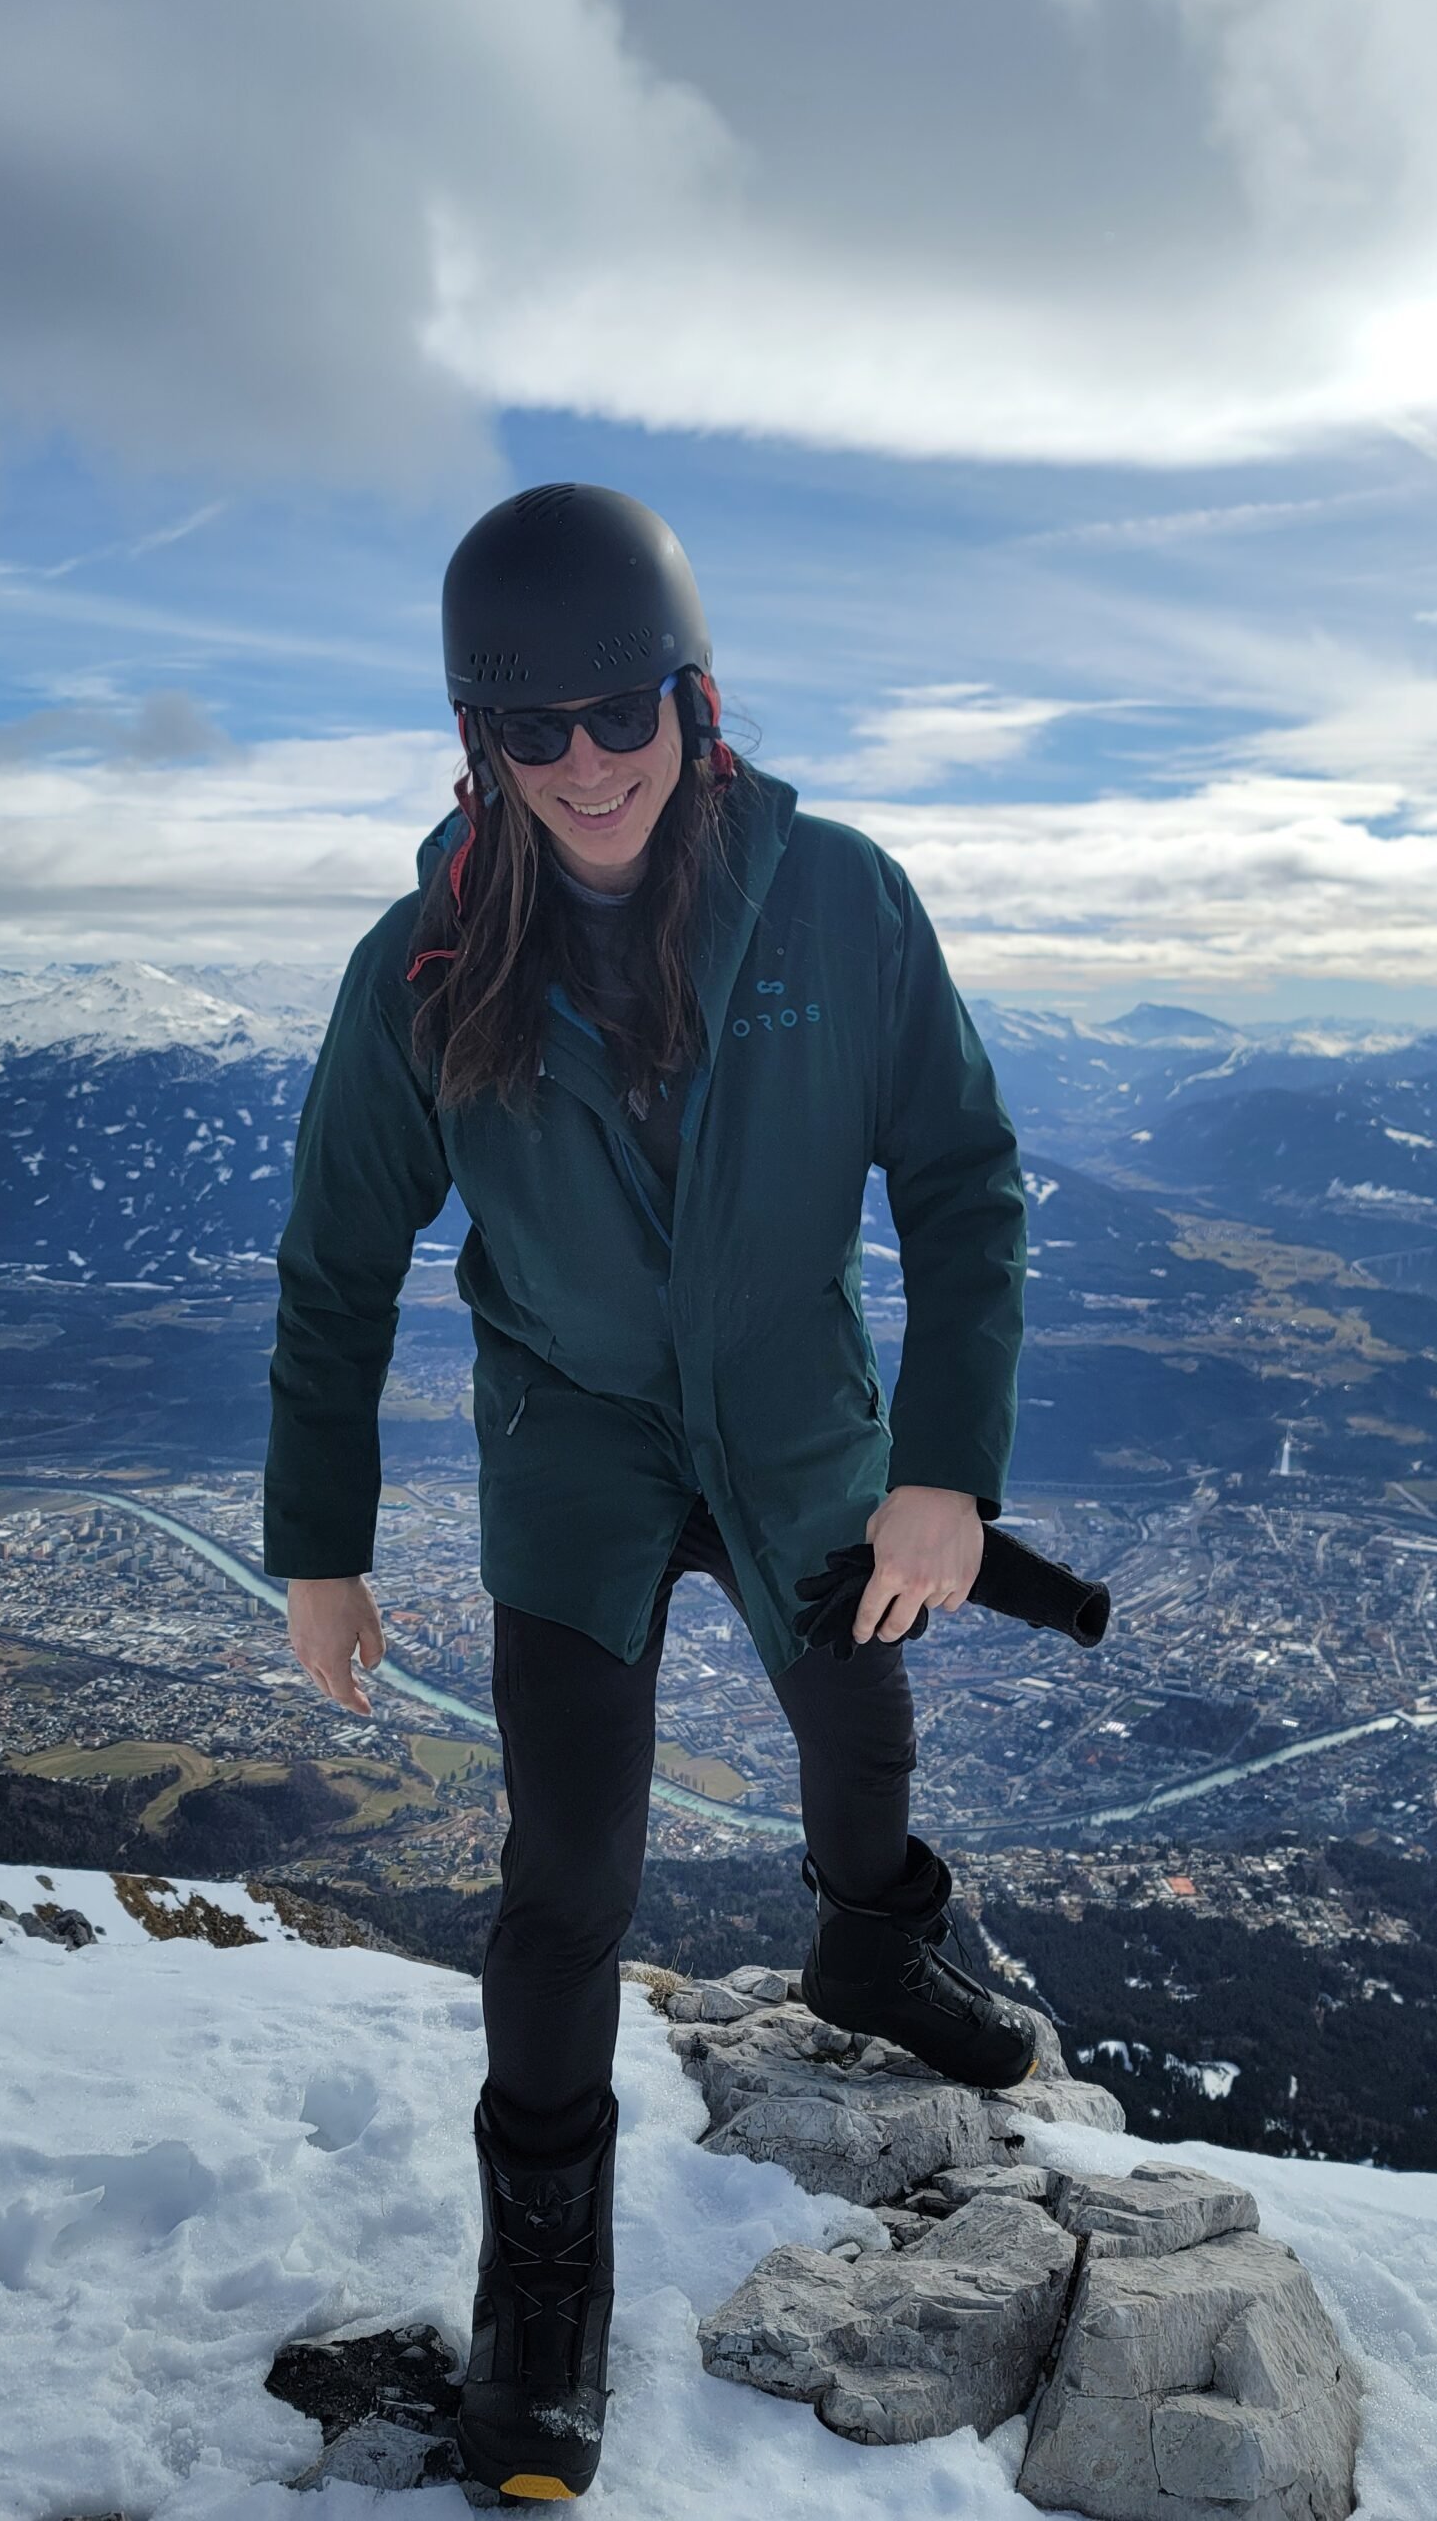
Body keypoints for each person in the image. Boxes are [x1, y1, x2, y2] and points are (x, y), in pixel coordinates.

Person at [262, 482, 1039, 2503]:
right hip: (575, 1457)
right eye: (539, 728)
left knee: (853, 1734)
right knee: (569, 1871)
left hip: (796, 1431)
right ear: (478, 746)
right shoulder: (427, 965)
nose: (590, 761)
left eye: (625, 709)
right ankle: (542, 2278)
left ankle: (876, 1937)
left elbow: (960, 1181)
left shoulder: (841, 901)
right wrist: (319, 1546)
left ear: (694, 700)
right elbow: (336, 1265)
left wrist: (947, 1468)